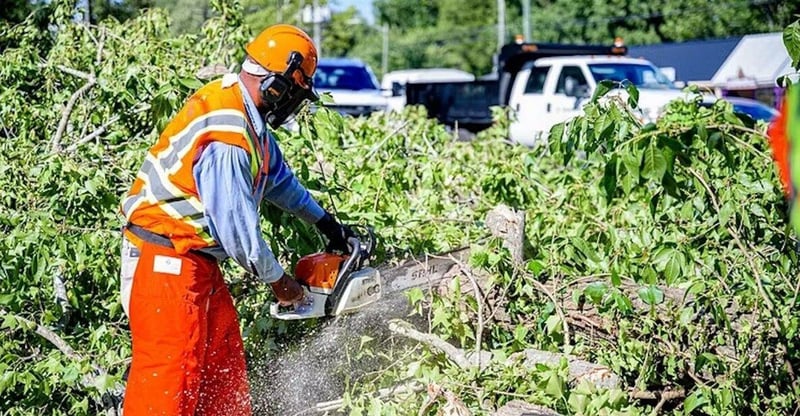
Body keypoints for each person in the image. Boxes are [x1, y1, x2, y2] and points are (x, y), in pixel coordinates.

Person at [117, 24, 354, 415]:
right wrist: (282, 283)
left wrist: (326, 224)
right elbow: (236, 230)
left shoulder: (248, 120)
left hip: (198, 263)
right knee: (169, 383)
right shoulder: (227, 132)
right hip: (165, 259)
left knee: (222, 372)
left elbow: (278, 180)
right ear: (277, 85)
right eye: (295, 93)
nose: (294, 104)